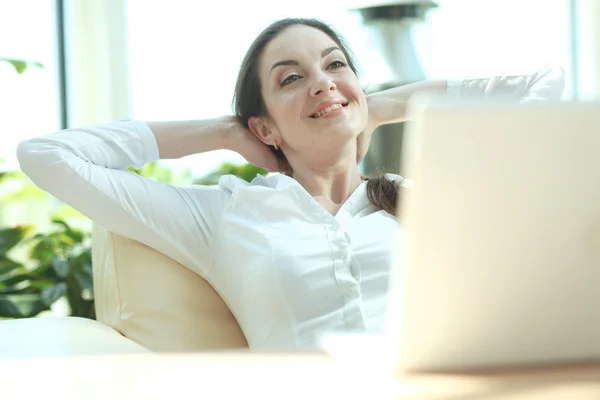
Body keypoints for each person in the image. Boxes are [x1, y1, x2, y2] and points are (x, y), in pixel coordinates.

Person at [17, 18, 564, 351]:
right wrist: (221, 132)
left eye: (335, 66)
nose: (323, 84)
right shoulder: (225, 215)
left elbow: (545, 87)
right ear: (265, 126)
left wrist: (388, 104)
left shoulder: (419, 198)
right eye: (292, 78)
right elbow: (48, 156)